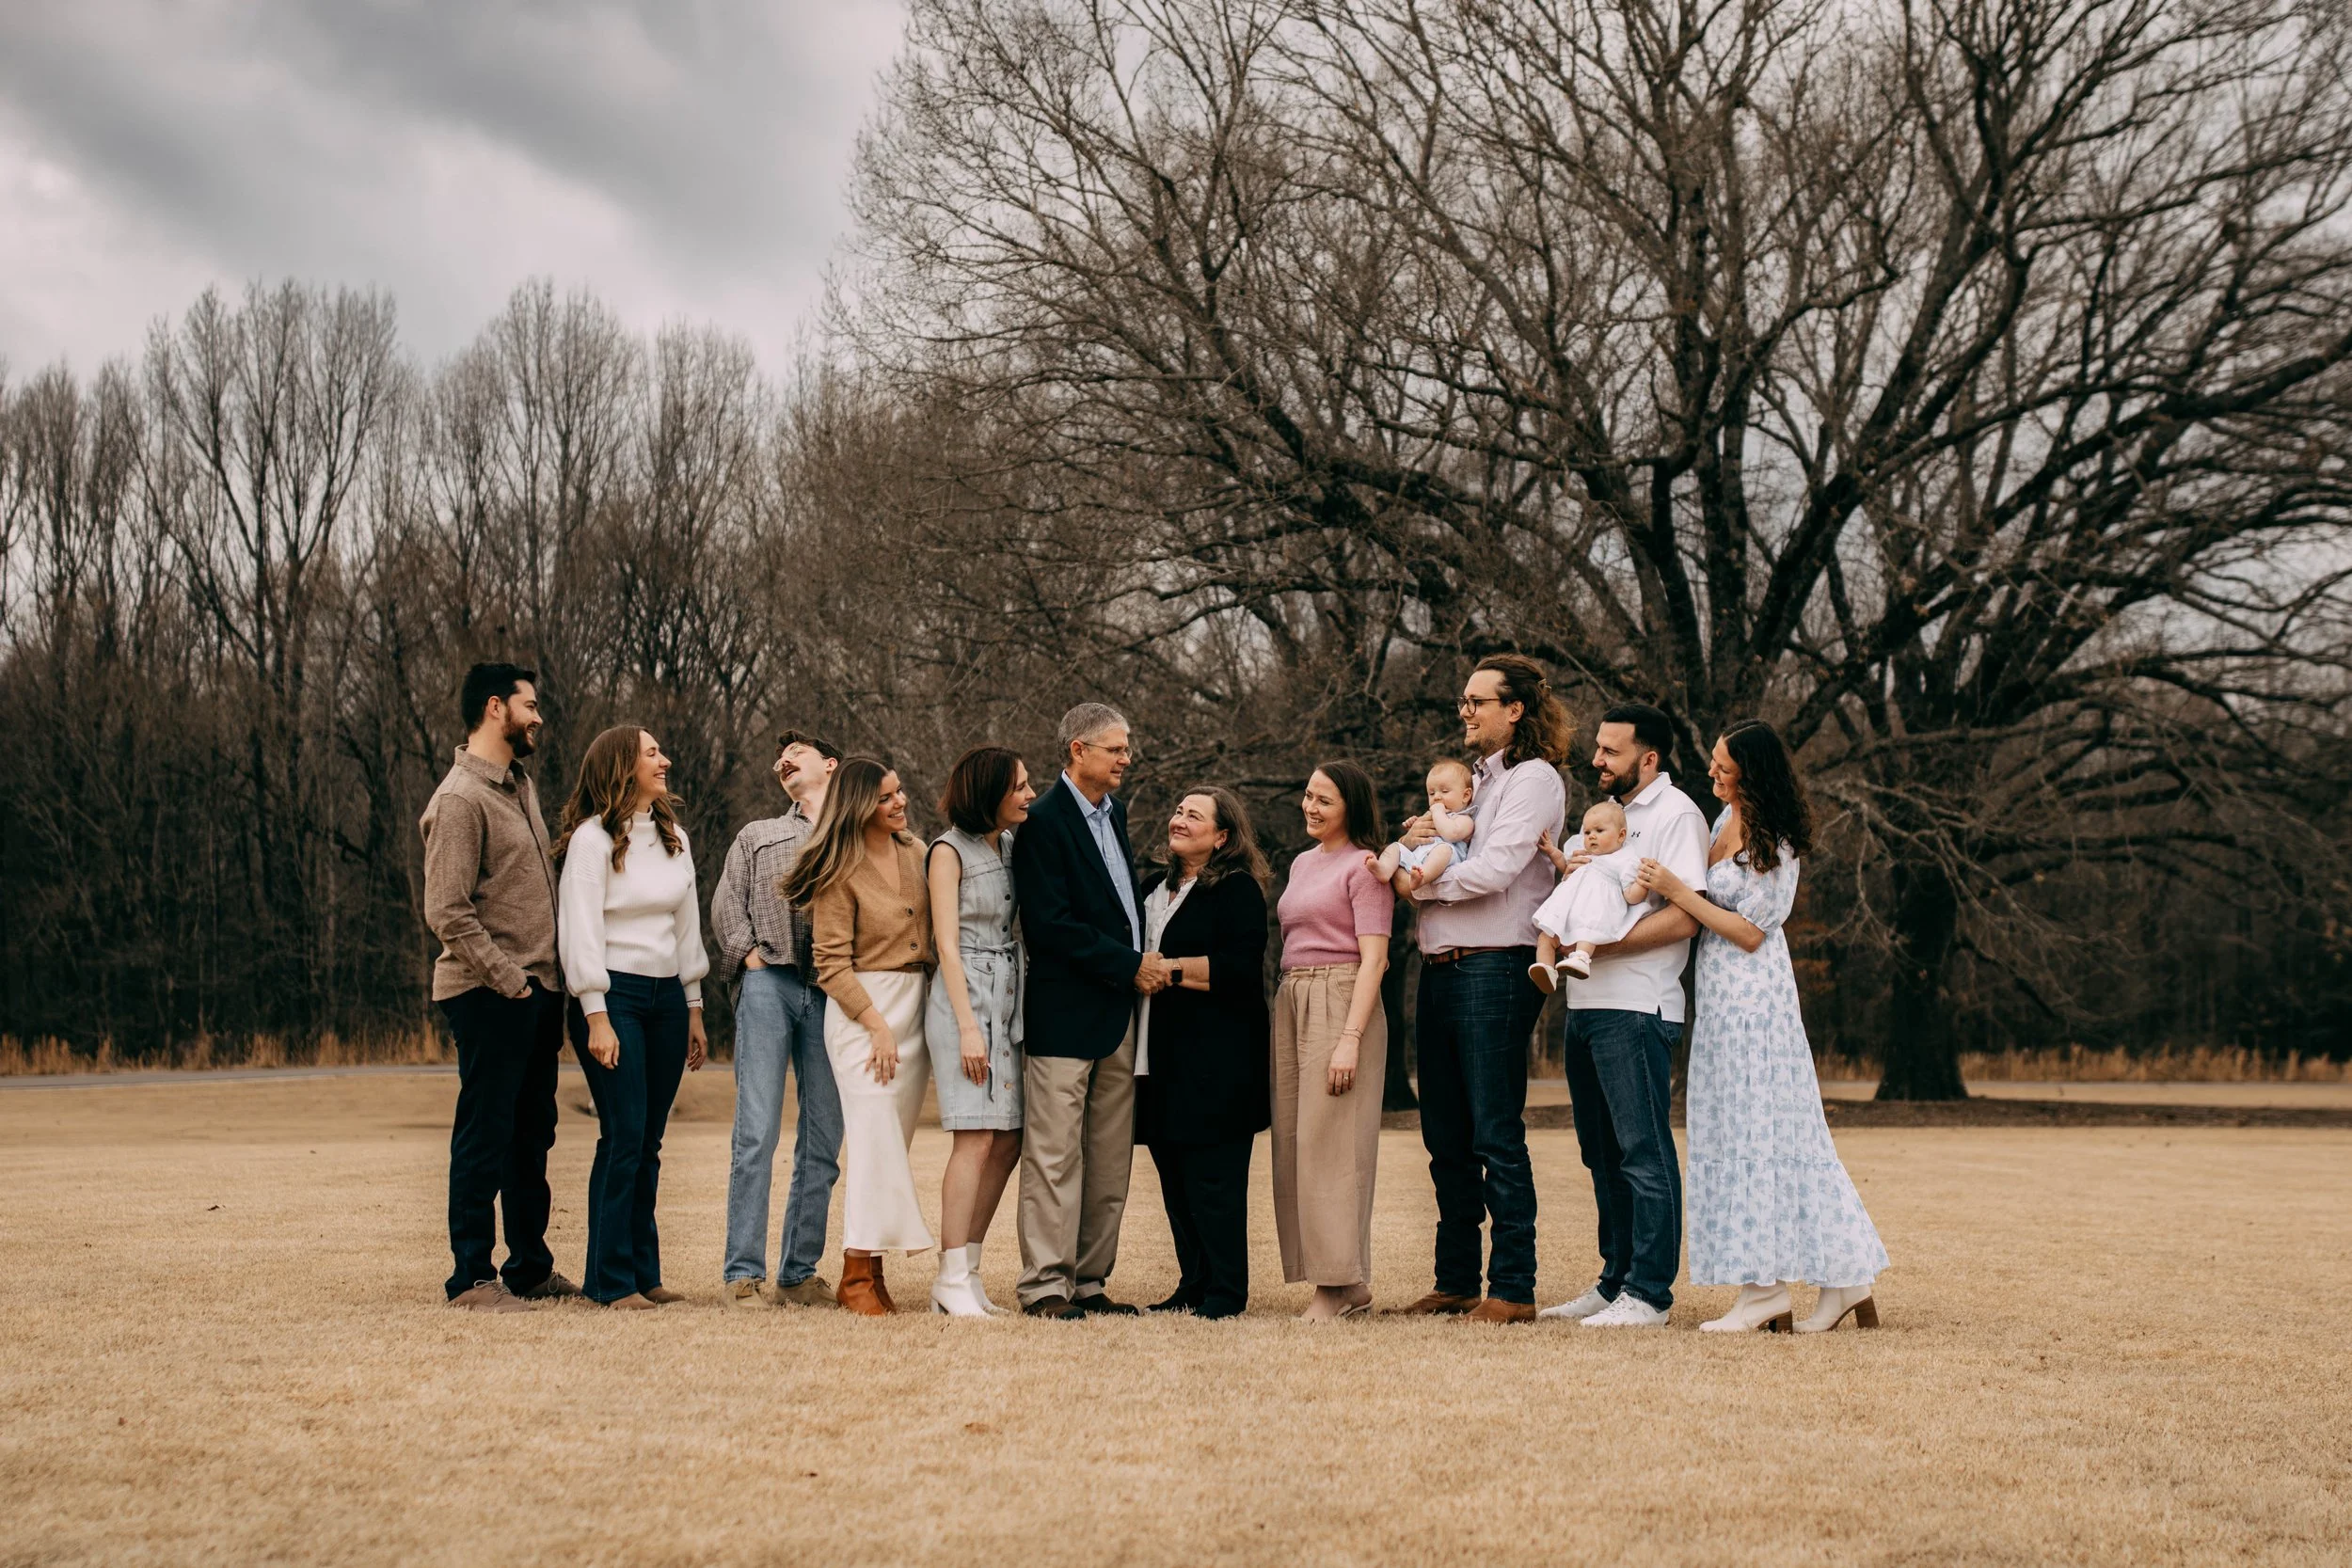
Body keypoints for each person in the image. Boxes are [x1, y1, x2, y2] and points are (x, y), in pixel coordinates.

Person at [1632, 720, 1888, 1334]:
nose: (1713, 772)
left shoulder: (1777, 838)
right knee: (1734, 1132)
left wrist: (1675, 891)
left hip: (1756, 1002)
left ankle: (1764, 1290)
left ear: (1752, 770)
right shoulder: (1724, 823)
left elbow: (1750, 931)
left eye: (1723, 766)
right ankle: (1842, 1278)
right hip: (1719, 999)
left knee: (1757, 1136)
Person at [1389, 654, 1571, 1324]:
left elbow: (1496, 869)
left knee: (1495, 1129)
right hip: (1438, 967)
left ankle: (1514, 1286)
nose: (1464, 710)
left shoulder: (1533, 779)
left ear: (1514, 708)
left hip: (1497, 966)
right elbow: (1429, 844)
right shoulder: (1469, 785)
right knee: (1445, 1134)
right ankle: (1456, 1278)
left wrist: (1422, 884)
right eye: (1463, 700)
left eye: (1476, 700)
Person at [1537, 702, 1709, 1329]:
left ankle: (1650, 1292)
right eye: (1598, 748)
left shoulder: (1677, 815)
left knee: (1642, 1150)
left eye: (1610, 750)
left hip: (1637, 1006)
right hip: (1584, 1003)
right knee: (1600, 1152)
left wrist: (1597, 941)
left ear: (1649, 757)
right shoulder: (1605, 821)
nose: (1596, 759)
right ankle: (1614, 1282)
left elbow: (1684, 914)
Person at [420, 662, 574, 1313]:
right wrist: (510, 981)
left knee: (531, 1132)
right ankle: (471, 1277)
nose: (538, 716)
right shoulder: (460, 799)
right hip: (489, 991)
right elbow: (447, 910)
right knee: (486, 1131)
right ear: (494, 708)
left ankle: (529, 1267)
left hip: (536, 991)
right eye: (529, 704)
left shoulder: (520, 787)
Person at [1009, 702, 1166, 1319]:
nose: (1126, 758)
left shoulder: (1117, 814)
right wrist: (1130, 964)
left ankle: (1091, 1281)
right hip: (1064, 1014)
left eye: (1125, 748)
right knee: (1053, 1155)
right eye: (1116, 749)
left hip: (1119, 1015)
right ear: (1079, 750)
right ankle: (1046, 1285)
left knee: (1109, 1155)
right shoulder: (1041, 822)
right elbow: (1050, 926)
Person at [556, 725, 710, 1309]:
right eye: (652, 754)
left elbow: (687, 926)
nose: (665, 761)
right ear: (623, 765)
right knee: (622, 1136)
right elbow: (580, 930)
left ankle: (646, 1276)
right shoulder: (591, 843)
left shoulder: (676, 838)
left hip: (668, 998)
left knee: (648, 1141)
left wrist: (693, 1005)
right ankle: (609, 1281)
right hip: (612, 996)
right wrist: (595, 1013)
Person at [781, 758, 936, 1316]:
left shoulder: (917, 855)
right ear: (858, 806)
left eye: (900, 792)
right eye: (887, 797)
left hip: (914, 1010)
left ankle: (873, 1270)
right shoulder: (837, 870)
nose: (900, 802)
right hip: (860, 1017)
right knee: (872, 1142)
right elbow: (830, 965)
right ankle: (853, 1276)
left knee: (892, 1142)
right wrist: (876, 1027)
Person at [712, 730, 845, 1309]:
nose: (783, 760)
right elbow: (725, 901)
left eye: (798, 754)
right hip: (769, 983)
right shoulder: (758, 834)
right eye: (778, 758)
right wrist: (747, 957)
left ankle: (798, 1272)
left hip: (833, 993)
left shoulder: (857, 835)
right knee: (757, 1132)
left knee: (823, 1136)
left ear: (831, 766)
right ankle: (743, 1273)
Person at [1136, 787, 1272, 1320]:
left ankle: (1226, 1291)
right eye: (1177, 811)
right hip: (1157, 1056)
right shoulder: (1151, 889)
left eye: (1195, 815)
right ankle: (1192, 1283)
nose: (1179, 819)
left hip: (1217, 1061)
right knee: (1173, 1176)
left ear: (1222, 837)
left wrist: (1166, 969)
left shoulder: (1236, 889)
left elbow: (1239, 969)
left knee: (1214, 1180)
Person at [1273, 763, 1393, 1320]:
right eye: (1307, 794)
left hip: (1342, 997)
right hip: (1293, 997)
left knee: (1335, 1146)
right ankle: (1346, 1286)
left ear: (1352, 807)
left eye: (1325, 799)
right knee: (1298, 1143)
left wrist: (1350, 1037)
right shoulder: (1301, 862)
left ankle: (1337, 1285)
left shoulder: (1365, 868)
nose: (1311, 807)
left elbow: (1376, 959)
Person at [923, 746, 1038, 1317]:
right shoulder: (948, 851)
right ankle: (948, 1274)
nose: (1028, 794)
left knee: (1009, 1138)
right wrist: (969, 1027)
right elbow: (945, 944)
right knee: (975, 1136)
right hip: (964, 996)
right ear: (988, 790)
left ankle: (966, 1271)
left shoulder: (1013, 844)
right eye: (1018, 785)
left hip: (1009, 992)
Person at [1528, 800, 1646, 990]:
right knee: (1546, 936)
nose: (1591, 837)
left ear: (1621, 835)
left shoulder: (1623, 860)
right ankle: (1546, 969)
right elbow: (1565, 866)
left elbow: (1631, 896)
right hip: (1569, 909)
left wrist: (1642, 882)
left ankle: (1581, 958)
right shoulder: (1584, 854)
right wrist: (1552, 851)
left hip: (1595, 910)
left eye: (1599, 831)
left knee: (1587, 931)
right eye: (1587, 832)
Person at [1370, 758, 1476, 892]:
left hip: (1441, 863)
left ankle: (1422, 878)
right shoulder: (1433, 814)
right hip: (1419, 858)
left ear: (1465, 795)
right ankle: (1384, 869)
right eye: (1432, 793)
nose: (1437, 797)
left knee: (1444, 849)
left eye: (1444, 791)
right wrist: (1415, 824)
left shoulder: (1464, 819)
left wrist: (1437, 812)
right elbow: (1419, 835)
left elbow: (1450, 834)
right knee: (1395, 846)